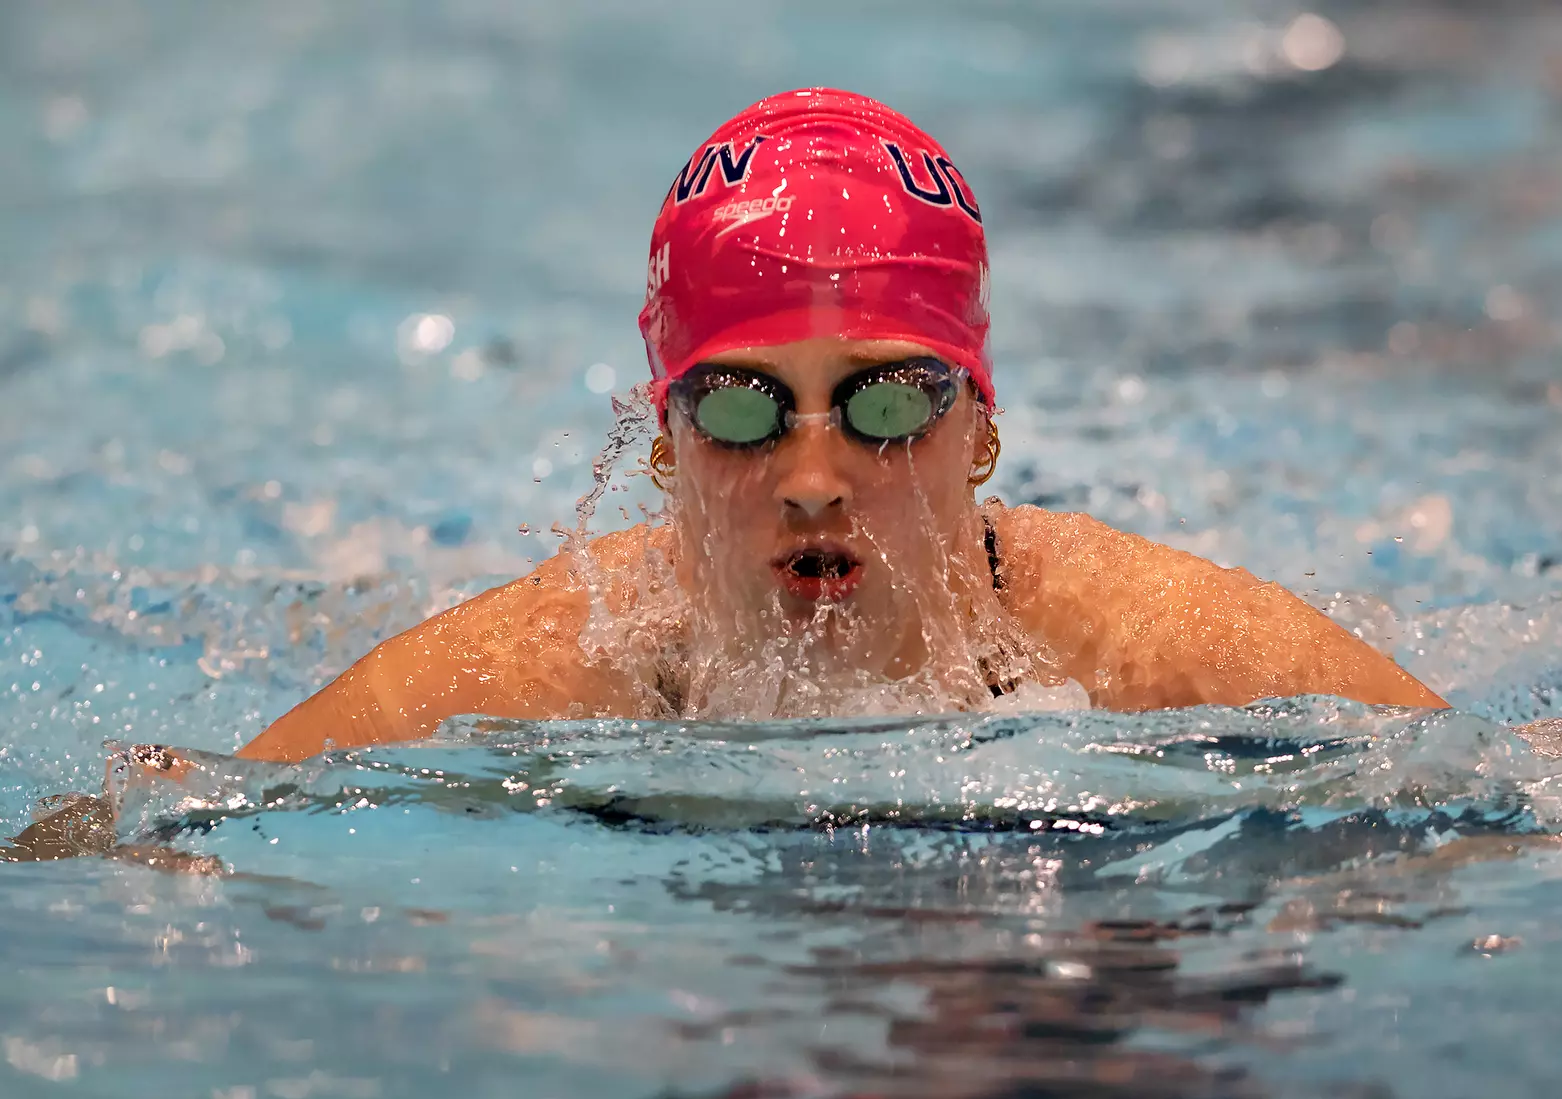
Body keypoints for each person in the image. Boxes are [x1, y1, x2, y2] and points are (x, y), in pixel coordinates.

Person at [239, 88, 1445, 765]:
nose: (815, 476)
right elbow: (157, 826)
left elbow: (1526, 800)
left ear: (979, 424)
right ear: (664, 442)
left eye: (884, 401)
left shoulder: (1145, 644)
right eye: (740, 407)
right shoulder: (551, 663)